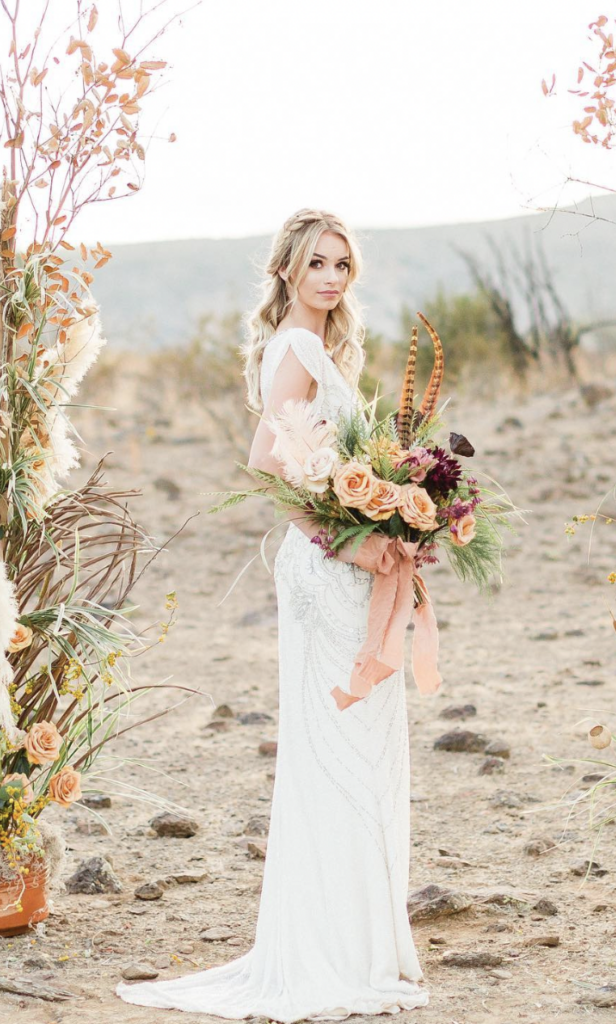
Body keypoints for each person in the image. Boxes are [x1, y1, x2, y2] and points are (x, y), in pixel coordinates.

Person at [116, 208, 430, 1021]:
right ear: (287, 270)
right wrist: (349, 543)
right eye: (316, 263)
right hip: (326, 569)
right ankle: (332, 948)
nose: (331, 276)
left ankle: (356, 938)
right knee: (337, 741)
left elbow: (321, 462)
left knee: (355, 740)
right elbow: (265, 467)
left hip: (343, 560)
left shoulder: (312, 346)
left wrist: (395, 517)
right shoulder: (295, 347)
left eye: (342, 265)